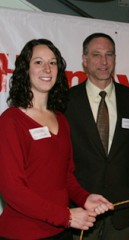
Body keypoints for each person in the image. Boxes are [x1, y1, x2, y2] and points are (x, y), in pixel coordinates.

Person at [0, 39, 114, 239]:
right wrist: (67, 216)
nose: (47, 69)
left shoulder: (61, 119)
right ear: (25, 70)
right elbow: (13, 190)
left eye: (52, 63)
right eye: (38, 62)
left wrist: (85, 198)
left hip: (60, 231)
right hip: (23, 233)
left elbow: (66, 177)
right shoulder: (11, 121)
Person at [65, 33, 129, 239]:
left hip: (122, 210)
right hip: (81, 209)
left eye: (109, 54)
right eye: (96, 55)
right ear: (85, 60)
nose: (104, 61)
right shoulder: (67, 100)